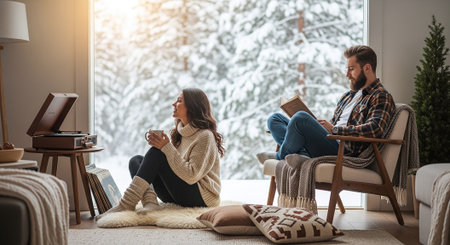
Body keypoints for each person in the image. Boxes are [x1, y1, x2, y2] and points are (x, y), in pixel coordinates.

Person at [97, 88, 225, 220]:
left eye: (179, 101)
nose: (173, 104)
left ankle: (126, 203)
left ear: (192, 107)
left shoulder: (205, 136)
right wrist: (164, 147)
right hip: (176, 194)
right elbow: (172, 165)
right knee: (136, 160)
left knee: (156, 153)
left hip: (201, 198)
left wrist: (165, 148)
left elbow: (191, 176)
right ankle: (150, 202)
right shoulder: (179, 133)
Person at [257, 45, 395, 164]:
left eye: (351, 69)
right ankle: (302, 155)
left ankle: (279, 156)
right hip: (331, 141)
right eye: (347, 69)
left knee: (300, 118)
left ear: (367, 68)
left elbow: (375, 129)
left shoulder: (381, 96)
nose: (347, 74)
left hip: (343, 151)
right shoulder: (348, 96)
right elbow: (335, 124)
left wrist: (334, 130)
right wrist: (322, 126)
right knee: (274, 119)